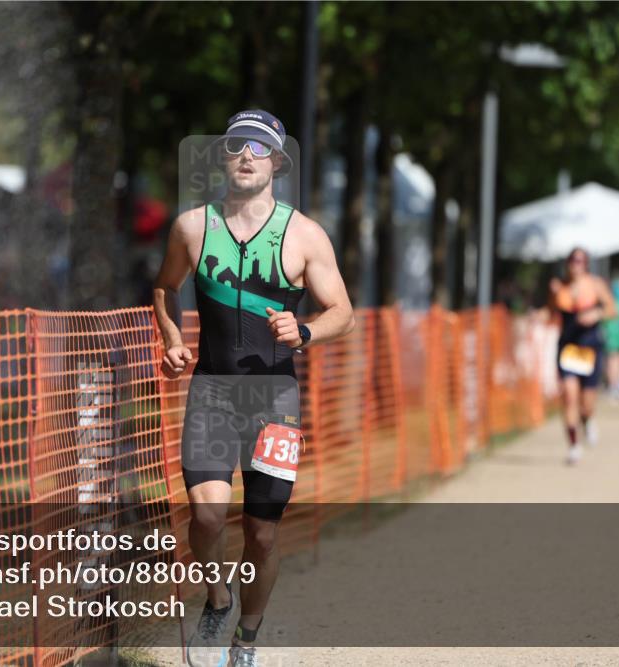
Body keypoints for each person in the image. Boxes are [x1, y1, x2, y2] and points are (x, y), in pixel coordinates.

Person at [153, 110, 355, 667]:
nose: (246, 154)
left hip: (275, 402)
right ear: (223, 156)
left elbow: (345, 312)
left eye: (259, 148)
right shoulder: (192, 227)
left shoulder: (304, 235)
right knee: (208, 518)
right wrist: (171, 334)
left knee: (262, 534)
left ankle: (246, 638)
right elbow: (166, 287)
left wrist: (306, 330)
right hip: (213, 394)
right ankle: (217, 601)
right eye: (237, 144)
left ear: (277, 163)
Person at [548, 248, 617, 464]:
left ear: (585, 264)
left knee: (586, 403)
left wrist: (596, 313)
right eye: (572, 261)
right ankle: (574, 445)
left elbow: (612, 310)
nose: (575, 265)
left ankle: (587, 420)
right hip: (568, 348)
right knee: (569, 396)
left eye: (580, 261)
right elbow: (550, 312)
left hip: (590, 348)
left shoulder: (596, 284)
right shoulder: (559, 287)